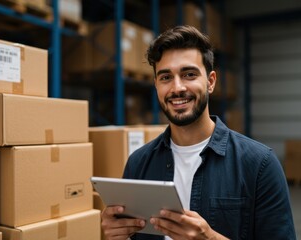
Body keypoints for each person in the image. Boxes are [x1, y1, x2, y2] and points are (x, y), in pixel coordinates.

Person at [101, 25, 296, 240]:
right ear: (156, 84)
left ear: (210, 82)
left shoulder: (260, 165)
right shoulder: (138, 164)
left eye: (189, 74)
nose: (177, 88)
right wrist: (117, 235)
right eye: (166, 77)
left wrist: (210, 239)